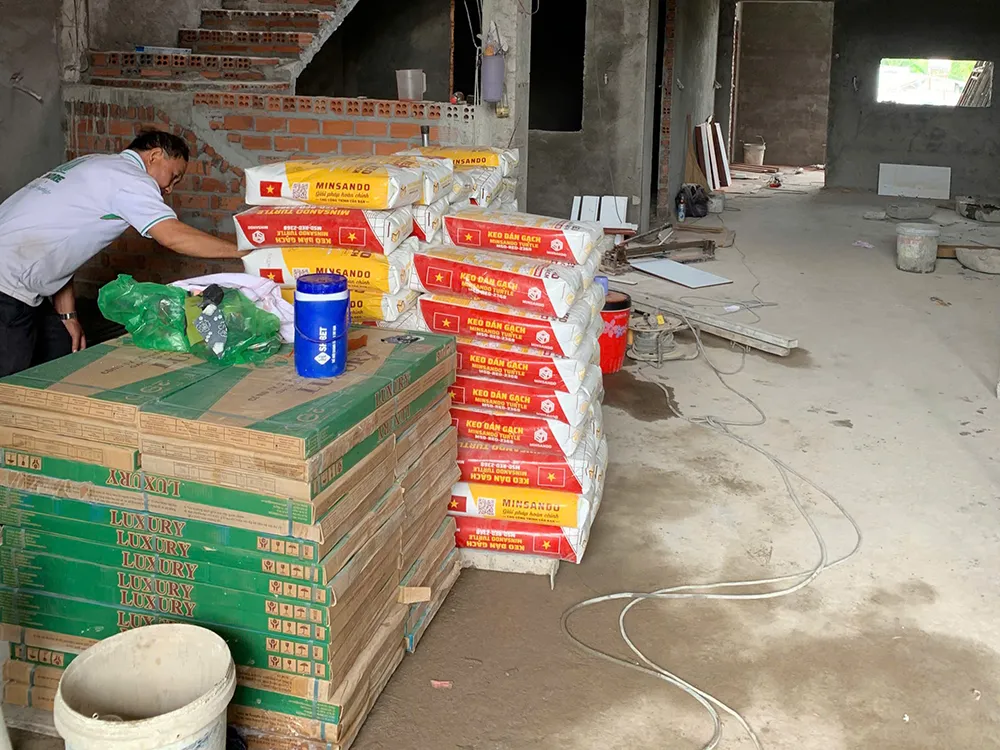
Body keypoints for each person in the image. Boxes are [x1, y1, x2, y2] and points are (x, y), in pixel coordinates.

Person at [0, 130, 243, 377]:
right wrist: (243, 250)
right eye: (173, 177)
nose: (169, 189)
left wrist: (68, 315)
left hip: (19, 278)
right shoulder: (131, 179)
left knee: (61, 345)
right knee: (11, 382)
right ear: (155, 156)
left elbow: (63, 246)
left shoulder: (92, 163)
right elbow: (172, 236)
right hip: (8, 285)